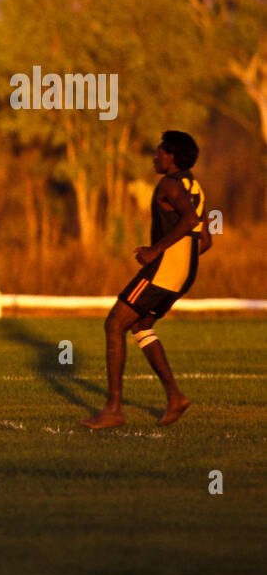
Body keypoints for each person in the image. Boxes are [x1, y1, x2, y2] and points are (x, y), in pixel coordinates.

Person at [81, 131, 211, 429]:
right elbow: (205, 239)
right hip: (184, 272)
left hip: (165, 267)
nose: (154, 157)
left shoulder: (169, 183)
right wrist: (183, 262)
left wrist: (156, 251)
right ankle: (175, 398)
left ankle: (113, 409)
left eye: (158, 152)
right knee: (140, 326)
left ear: (172, 157)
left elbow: (190, 221)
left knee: (114, 324)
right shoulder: (196, 187)